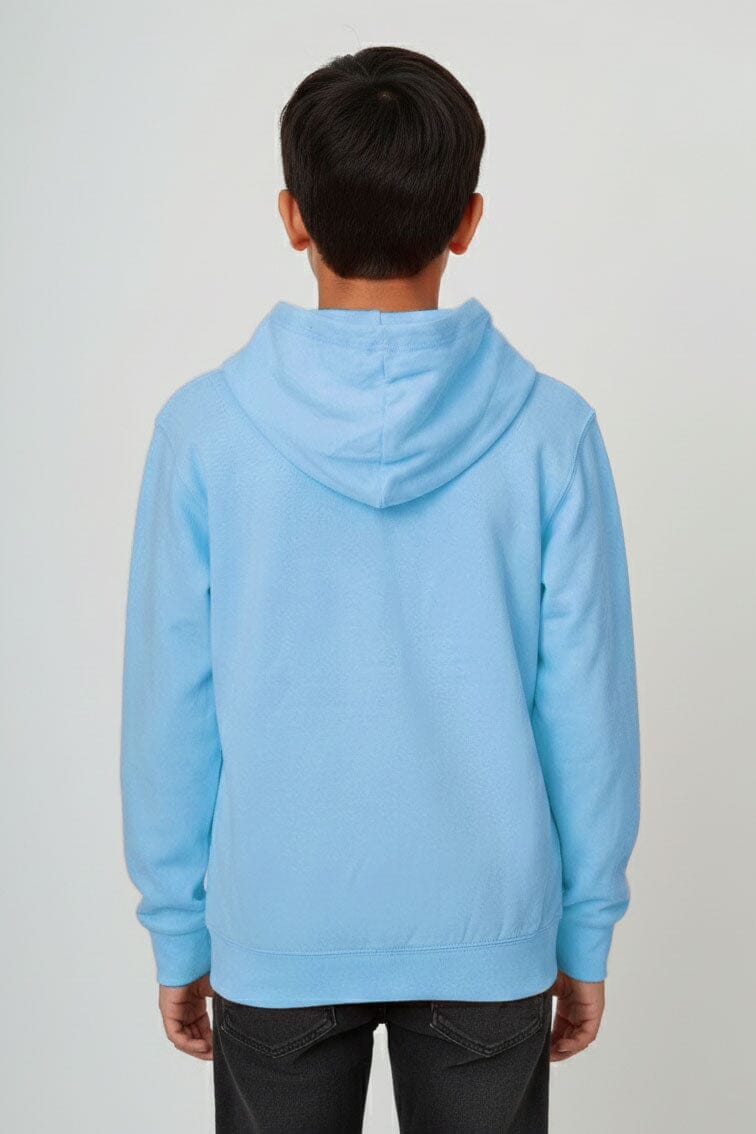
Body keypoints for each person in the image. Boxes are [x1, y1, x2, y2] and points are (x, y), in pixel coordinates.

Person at [120, 44, 641, 1133]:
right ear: (468, 220)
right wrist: (584, 928)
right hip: (489, 930)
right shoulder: (552, 433)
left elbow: (171, 704)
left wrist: (178, 926)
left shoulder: (204, 433)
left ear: (291, 217)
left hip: (277, 924)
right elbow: (586, 707)